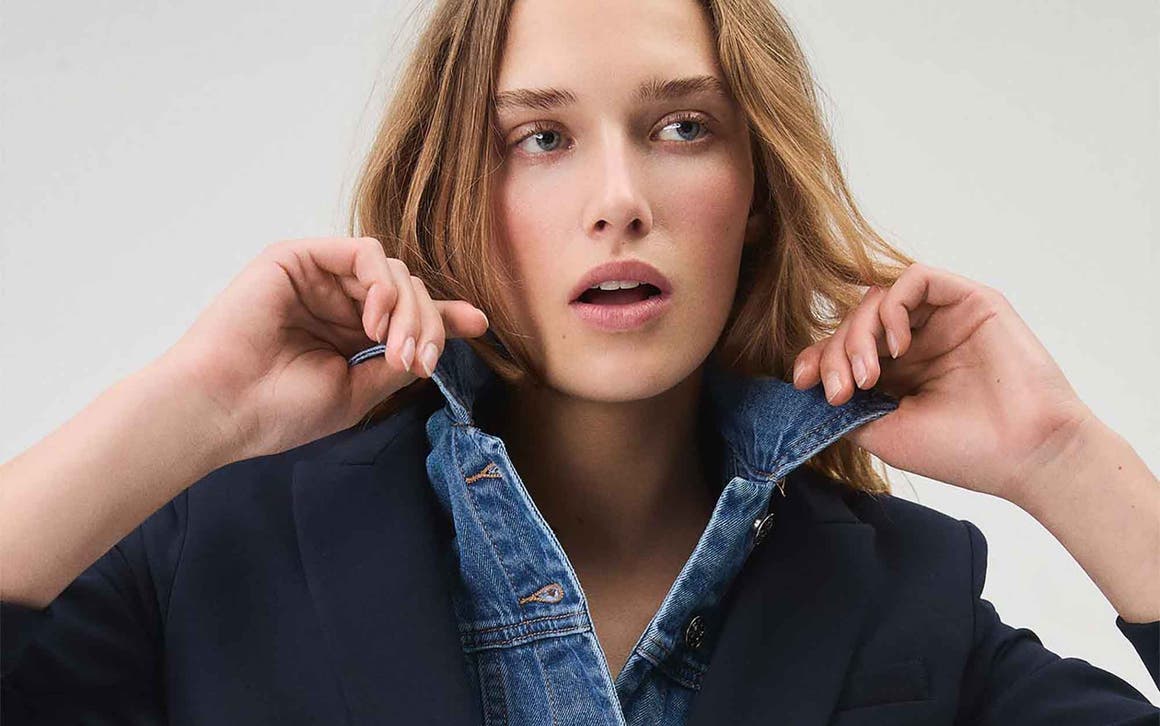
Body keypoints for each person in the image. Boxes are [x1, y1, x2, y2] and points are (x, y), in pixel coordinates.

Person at [1, 0, 1157, 723]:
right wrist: (191, 403)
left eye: (681, 127)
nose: (619, 201)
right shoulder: (221, 555)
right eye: (540, 138)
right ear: (456, 188)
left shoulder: (905, 603)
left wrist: (1063, 458)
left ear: (752, 195)